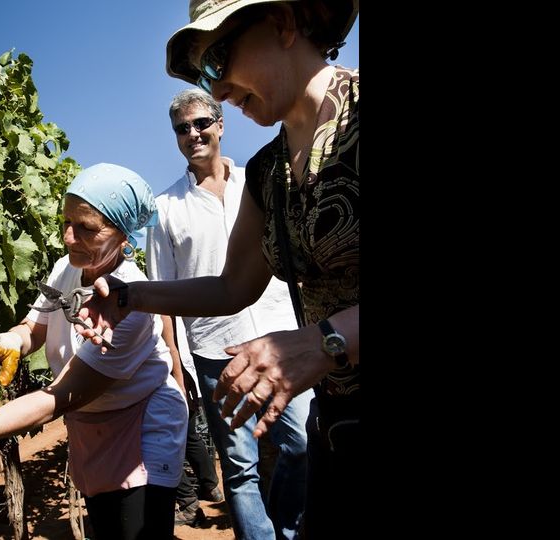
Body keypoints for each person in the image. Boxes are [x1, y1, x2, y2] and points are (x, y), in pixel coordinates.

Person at [78, 1, 360, 537]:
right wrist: (128, 296)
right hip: (339, 423)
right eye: (208, 74)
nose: (221, 88)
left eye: (220, 60)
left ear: (282, 22)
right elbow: (233, 286)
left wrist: (323, 340)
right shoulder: (267, 173)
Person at [0, 163, 188, 540]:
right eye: (67, 222)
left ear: (125, 236)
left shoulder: (131, 304)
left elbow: (59, 396)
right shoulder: (68, 267)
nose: (68, 237)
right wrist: (8, 341)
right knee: (107, 527)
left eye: (86, 228)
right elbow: (33, 329)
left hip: (142, 424)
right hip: (91, 425)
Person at [149, 87, 311, 539]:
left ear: (221, 125)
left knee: (301, 444)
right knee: (240, 469)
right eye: (182, 129)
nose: (193, 134)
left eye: (201, 123)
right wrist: (176, 368)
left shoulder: (260, 181)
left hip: (279, 338)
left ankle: (287, 531)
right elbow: (164, 296)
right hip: (215, 352)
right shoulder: (165, 210)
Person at [170, 326, 222, 527]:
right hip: (183, 374)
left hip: (172, 379)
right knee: (189, 437)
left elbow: (170, 345)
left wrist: (180, 381)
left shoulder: (153, 303)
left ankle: (187, 502)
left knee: (160, 447)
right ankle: (211, 487)